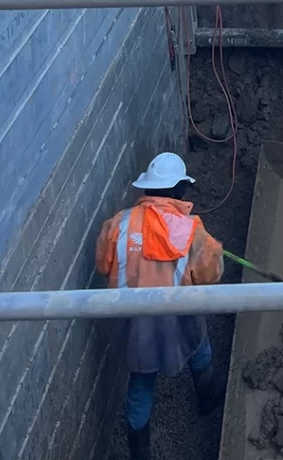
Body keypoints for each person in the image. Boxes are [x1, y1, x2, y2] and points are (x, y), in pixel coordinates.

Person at [95, 152, 225, 460]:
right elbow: (211, 274)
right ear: (179, 190)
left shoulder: (118, 224)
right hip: (179, 313)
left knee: (141, 382)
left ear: (148, 189)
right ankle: (207, 399)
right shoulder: (192, 230)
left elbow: (103, 263)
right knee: (199, 346)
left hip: (136, 318)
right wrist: (214, 251)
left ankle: (139, 454)